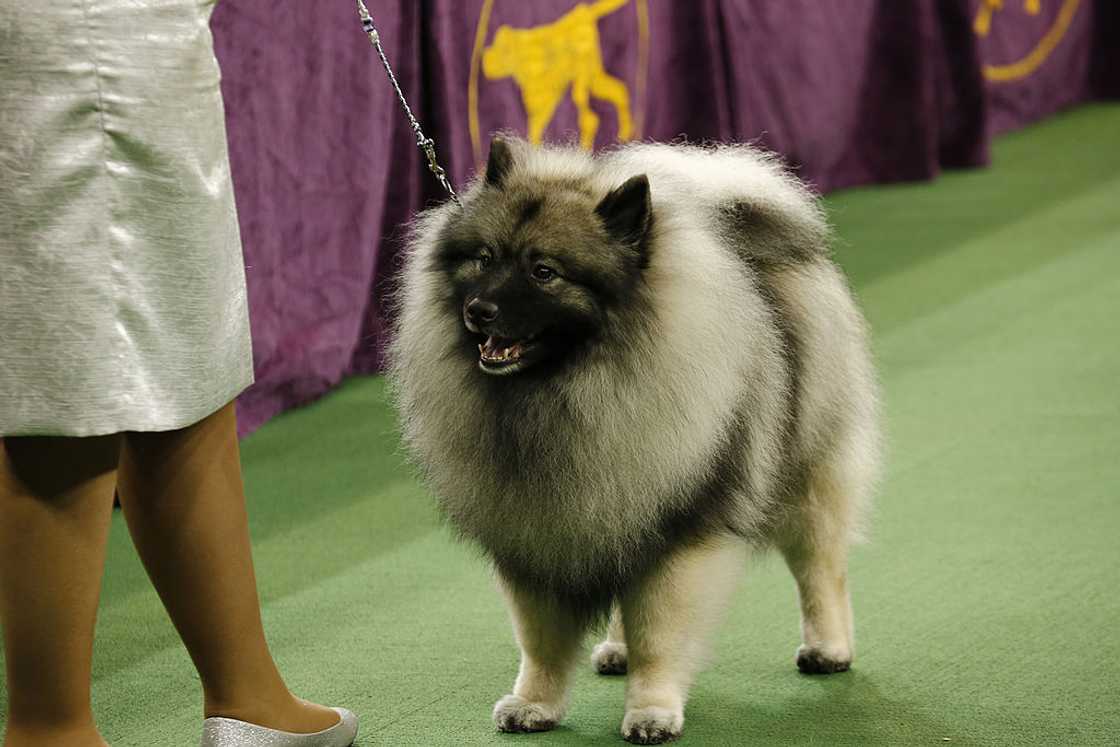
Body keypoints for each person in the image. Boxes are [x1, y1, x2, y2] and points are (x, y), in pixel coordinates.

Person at [0, 3, 358, 745]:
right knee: (65, 380)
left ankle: (246, 693)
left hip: (143, 28)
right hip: (76, 36)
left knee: (187, 346)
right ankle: (49, 727)